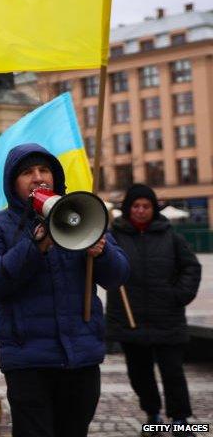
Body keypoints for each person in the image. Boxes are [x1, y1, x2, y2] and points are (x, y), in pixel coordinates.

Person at [0, 143, 129, 437]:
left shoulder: (82, 214)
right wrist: (35, 246)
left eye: (44, 170)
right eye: (28, 172)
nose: (38, 178)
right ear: (12, 182)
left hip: (81, 357)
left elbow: (118, 276)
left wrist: (102, 253)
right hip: (28, 360)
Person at [106, 184, 202, 437]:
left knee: (173, 373)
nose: (140, 211)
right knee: (140, 374)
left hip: (166, 318)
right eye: (136, 206)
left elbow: (191, 267)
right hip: (130, 319)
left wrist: (179, 295)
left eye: (146, 206)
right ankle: (153, 417)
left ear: (153, 208)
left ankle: (180, 420)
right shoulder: (112, 236)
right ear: (128, 208)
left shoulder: (170, 235)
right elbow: (101, 270)